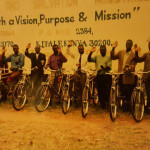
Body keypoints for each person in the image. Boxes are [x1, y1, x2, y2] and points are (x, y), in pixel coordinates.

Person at [110, 40, 137, 110]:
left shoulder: (134, 55)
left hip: (129, 77)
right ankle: (124, 106)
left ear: (131, 45)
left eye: (129, 44)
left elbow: (134, 64)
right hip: (121, 76)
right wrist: (113, 48)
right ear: (125, 44)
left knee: (129, 92)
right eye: (127, 44)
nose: (128, 45)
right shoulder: (121, 52)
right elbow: (112, 57)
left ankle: (129, 107)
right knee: (122, 91)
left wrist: (129, 68)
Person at [133, 41, 150, 107]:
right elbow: (138, 59)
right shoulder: (146, 55)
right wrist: (136, 52)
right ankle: (148, 107)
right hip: (147, 77)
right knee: (148, 92)